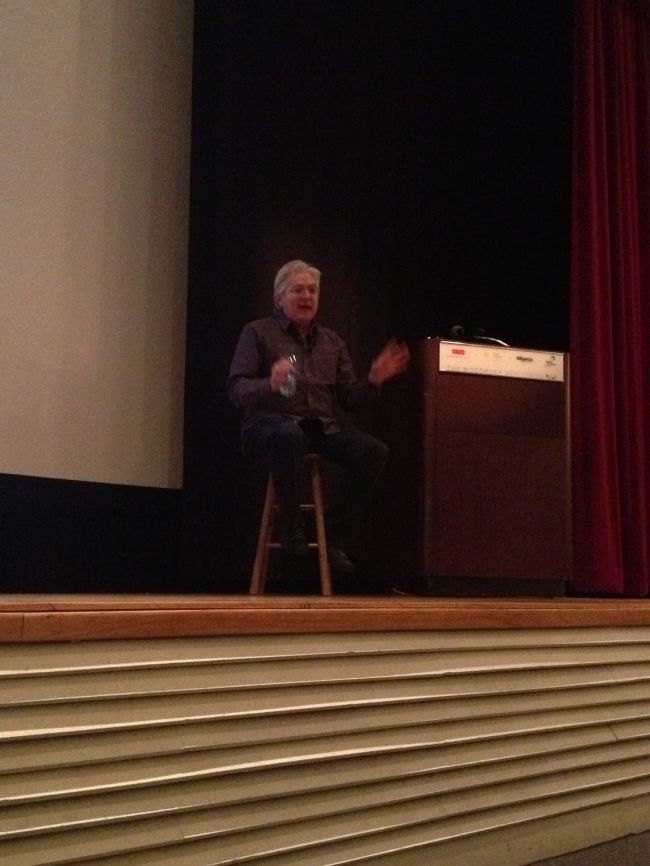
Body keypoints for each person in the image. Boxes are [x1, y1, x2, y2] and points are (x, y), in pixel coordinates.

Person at [228, 259, 410, 577]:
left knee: (373, 451)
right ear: (279, 298)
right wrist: (269, 383)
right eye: (298, 289)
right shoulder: (258, 332)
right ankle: (291, 530)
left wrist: (373, 380)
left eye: (312, 290)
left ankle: (332, 535)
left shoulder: (332, 342)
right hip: (268, 423)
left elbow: (351, 401)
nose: (307, 296)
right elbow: (237, 390)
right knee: (289, 434)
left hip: (320, 428)